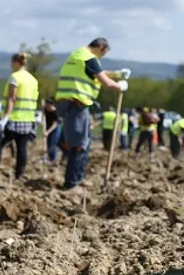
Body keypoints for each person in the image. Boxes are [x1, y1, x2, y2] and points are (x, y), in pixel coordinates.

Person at [55, 38, 129, 190]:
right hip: (78, 104)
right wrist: (119, 86)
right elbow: (105, 82)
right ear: (100, 47)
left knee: (81, 142)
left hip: (67, 104)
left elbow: (96, 73)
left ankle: (78, 177)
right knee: (80, 146)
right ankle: (72, 182)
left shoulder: (77, 55)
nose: (101, 57)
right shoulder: (90, 59)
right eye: (103, 53)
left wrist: (116, 74)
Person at [0, 52, 40, 183]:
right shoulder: (33, 80)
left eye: (11, 63)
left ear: (16, 62)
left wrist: (5, 117)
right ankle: (19, 175)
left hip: (13, 119)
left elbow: (11, 98)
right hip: (28, 119)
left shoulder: (15, 77)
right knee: (22, 148)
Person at [43, 99, 61, 163]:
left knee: (52, 144)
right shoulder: (45, 109)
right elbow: (43, 117)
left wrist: (47, 132)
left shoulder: (54, 112)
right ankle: (48, 158)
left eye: (47, 104)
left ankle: (53, 160)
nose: (46, 105)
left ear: (51, 105)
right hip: (48, 128)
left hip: (55, 129)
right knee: (48, 144)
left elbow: (55, 125)